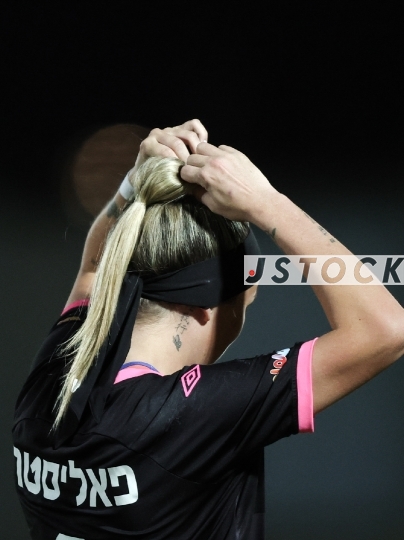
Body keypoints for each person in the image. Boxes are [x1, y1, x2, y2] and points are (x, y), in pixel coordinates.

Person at [13, 119, 404, 540]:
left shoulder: (56, 374)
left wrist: (132, 185)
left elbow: (94, 270)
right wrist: (267, 204)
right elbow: (386, 330)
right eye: (246, 301)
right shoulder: (194, 414)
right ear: (204, 307)